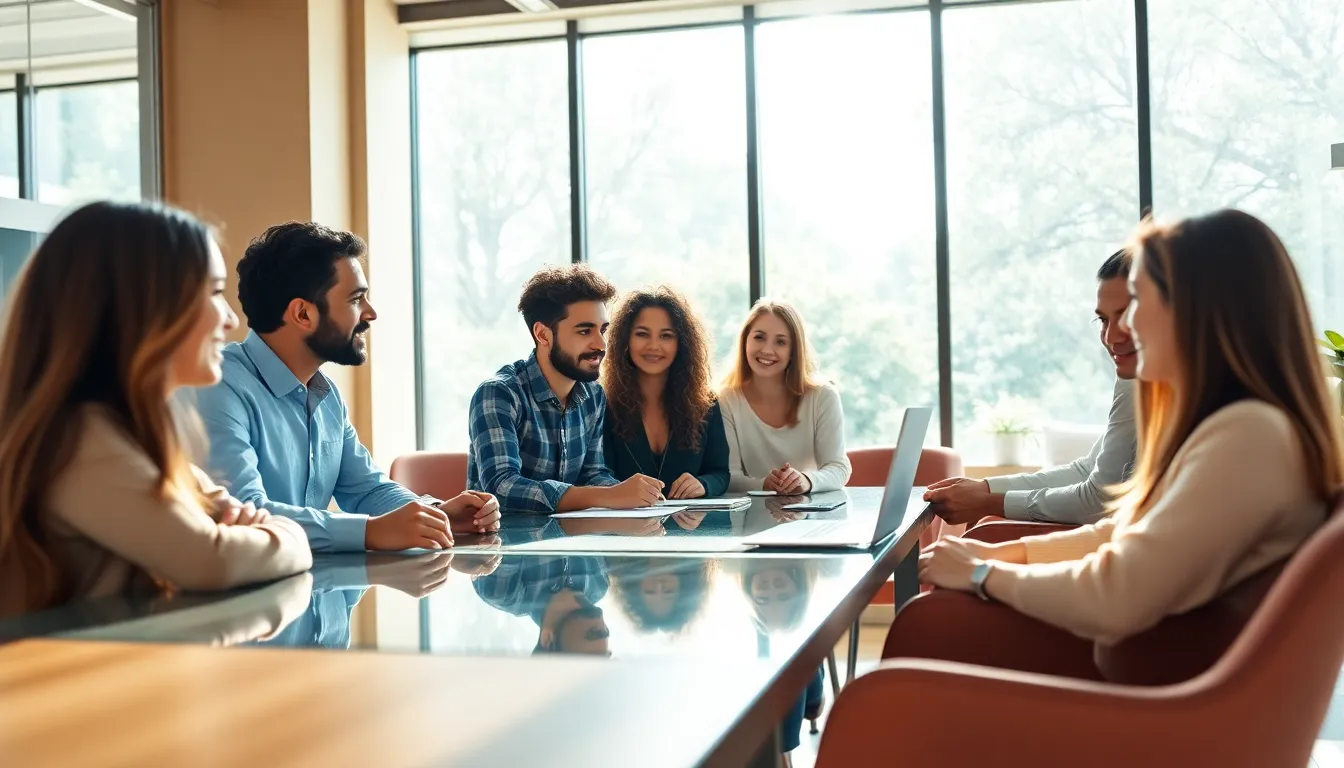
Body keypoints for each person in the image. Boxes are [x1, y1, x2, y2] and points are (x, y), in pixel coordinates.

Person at [920, 209, 1344, 646]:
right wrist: (998, 553)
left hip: (1158, 701)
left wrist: (981, 573)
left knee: (927, 629)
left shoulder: (1248, 435)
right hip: (1157, 673)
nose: (1122, 329)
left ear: (1197, 310)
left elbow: (1113, 597)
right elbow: (1128, 529)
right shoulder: (1235, 424)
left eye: (1137, 302)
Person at [0, 202, 312, 618]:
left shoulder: (121, 432)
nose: (231, 320)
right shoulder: (81, 441)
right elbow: (211, 560)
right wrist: (289, 534)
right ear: (146, 310)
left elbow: (219, 508)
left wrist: (246, 527)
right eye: (215, 293)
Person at [196, 222, 499, 553]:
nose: (371, 313)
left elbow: (366, 488)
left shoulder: (325, 395)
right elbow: (245, 515)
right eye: (356, 299)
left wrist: (435, 514)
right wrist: (369, 532)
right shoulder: (219, 387)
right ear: (303, 314)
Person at [924, 249, 1139, 526]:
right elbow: (1087, 469)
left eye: (1126, 317)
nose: (1110, 337)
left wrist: (989, 502)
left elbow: (1099, 500)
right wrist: (985, 488)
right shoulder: (1134, 378)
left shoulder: (1146, 381)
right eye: (1103, 320)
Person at [468, 265, 663, 513]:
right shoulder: (499, 394)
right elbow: (501, 488)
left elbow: (593, 474)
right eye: (584, 331)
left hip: (573, 542)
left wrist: (630, 495)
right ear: (543, 334)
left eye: (602, 330)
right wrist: (608, 496)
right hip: (506, 545)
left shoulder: (593, 395)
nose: (601, 344)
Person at [601, 287, 730, 500]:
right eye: (642, 334)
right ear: (625, 340)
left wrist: (703, 484)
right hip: (625, 528)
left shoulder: (706, 403)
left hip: (691, 528)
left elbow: (720, 473)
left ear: (682, 344)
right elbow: (598, 475)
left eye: (666, 336)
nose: (654, 346)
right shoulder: (603, 404)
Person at [719, 300, 852, 494]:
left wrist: (806, 480)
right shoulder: (727, 399)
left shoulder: (823, 396)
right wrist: (764, 483)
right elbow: (729, 476)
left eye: (780, 342)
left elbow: (838, 468)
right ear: (745, 341)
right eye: (759, 337)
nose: (767, 350)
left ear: (793, 351)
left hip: (813, 515)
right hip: (753, 516)